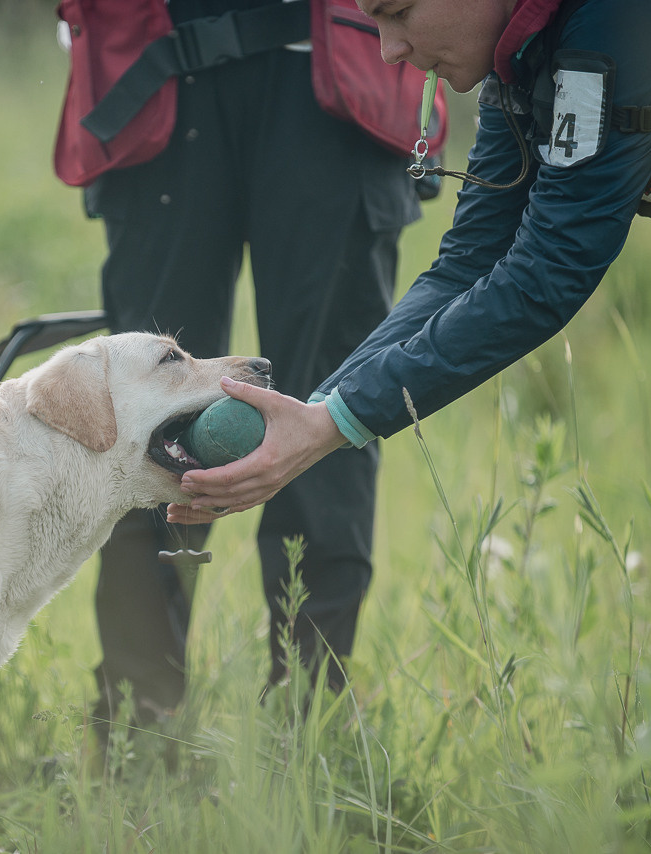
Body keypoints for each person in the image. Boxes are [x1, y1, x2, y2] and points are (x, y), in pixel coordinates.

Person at [170, 0, 651, 764]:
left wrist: (337, 423)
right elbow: (471, 260)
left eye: (397, 12)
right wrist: (312, 414)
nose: (390, 50)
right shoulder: (526, 50)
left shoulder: (618, 15)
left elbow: (549, 269)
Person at [57, 0, 427, 732]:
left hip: (332, 69)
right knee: (143, 418)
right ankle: (137, 731)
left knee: (333, 407)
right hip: (157, 70)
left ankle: (310, 728)